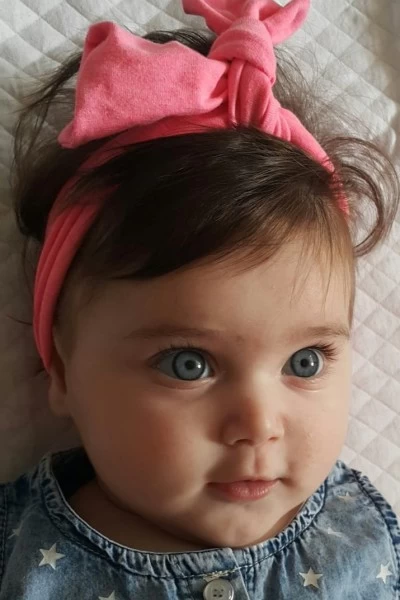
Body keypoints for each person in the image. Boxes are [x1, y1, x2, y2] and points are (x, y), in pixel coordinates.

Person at [2, 0, 400, 598]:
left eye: (305, 362)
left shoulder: (362, 539)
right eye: (188, 364)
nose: (258, 426)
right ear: (60, 368)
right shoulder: (22, 554)